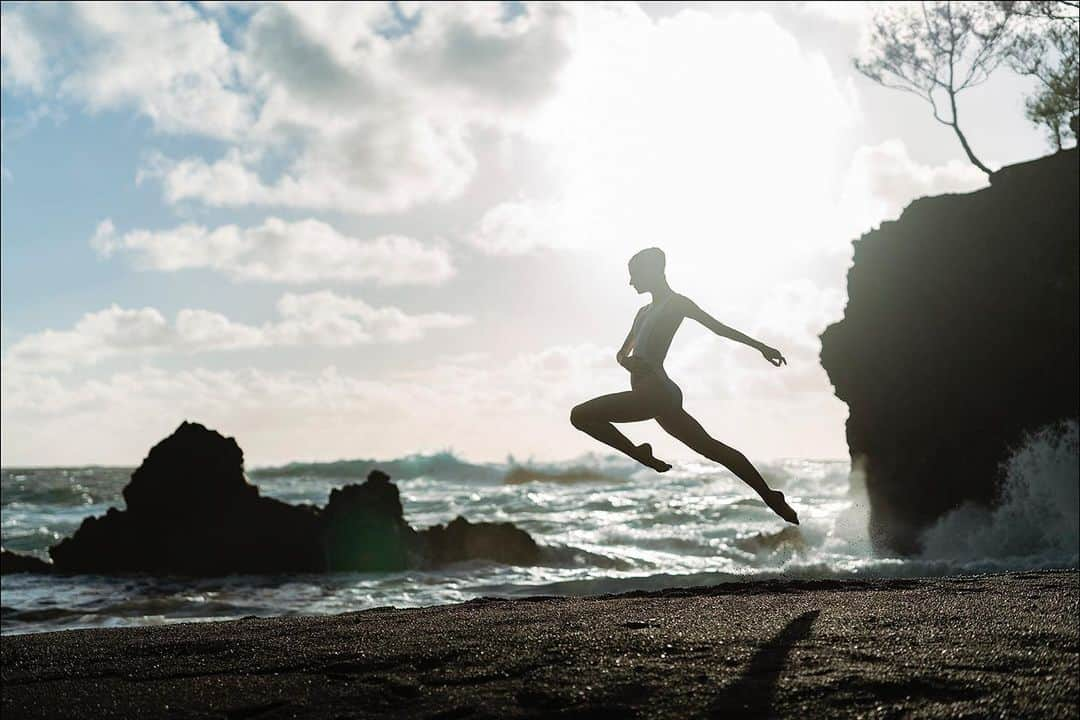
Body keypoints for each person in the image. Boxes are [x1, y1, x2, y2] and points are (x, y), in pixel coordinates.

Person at [570, 247, 799, 524]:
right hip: (651, 393)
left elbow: (719, 328)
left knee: (579, 415)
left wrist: (761, 346)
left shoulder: (677, 304)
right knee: (711, 449)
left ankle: (640, 454)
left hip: (656, 391)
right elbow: (622, 353)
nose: (631, 283)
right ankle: (771, 496)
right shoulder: (642, 311)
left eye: (634, 276)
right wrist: (626, 362)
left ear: (652, 272)